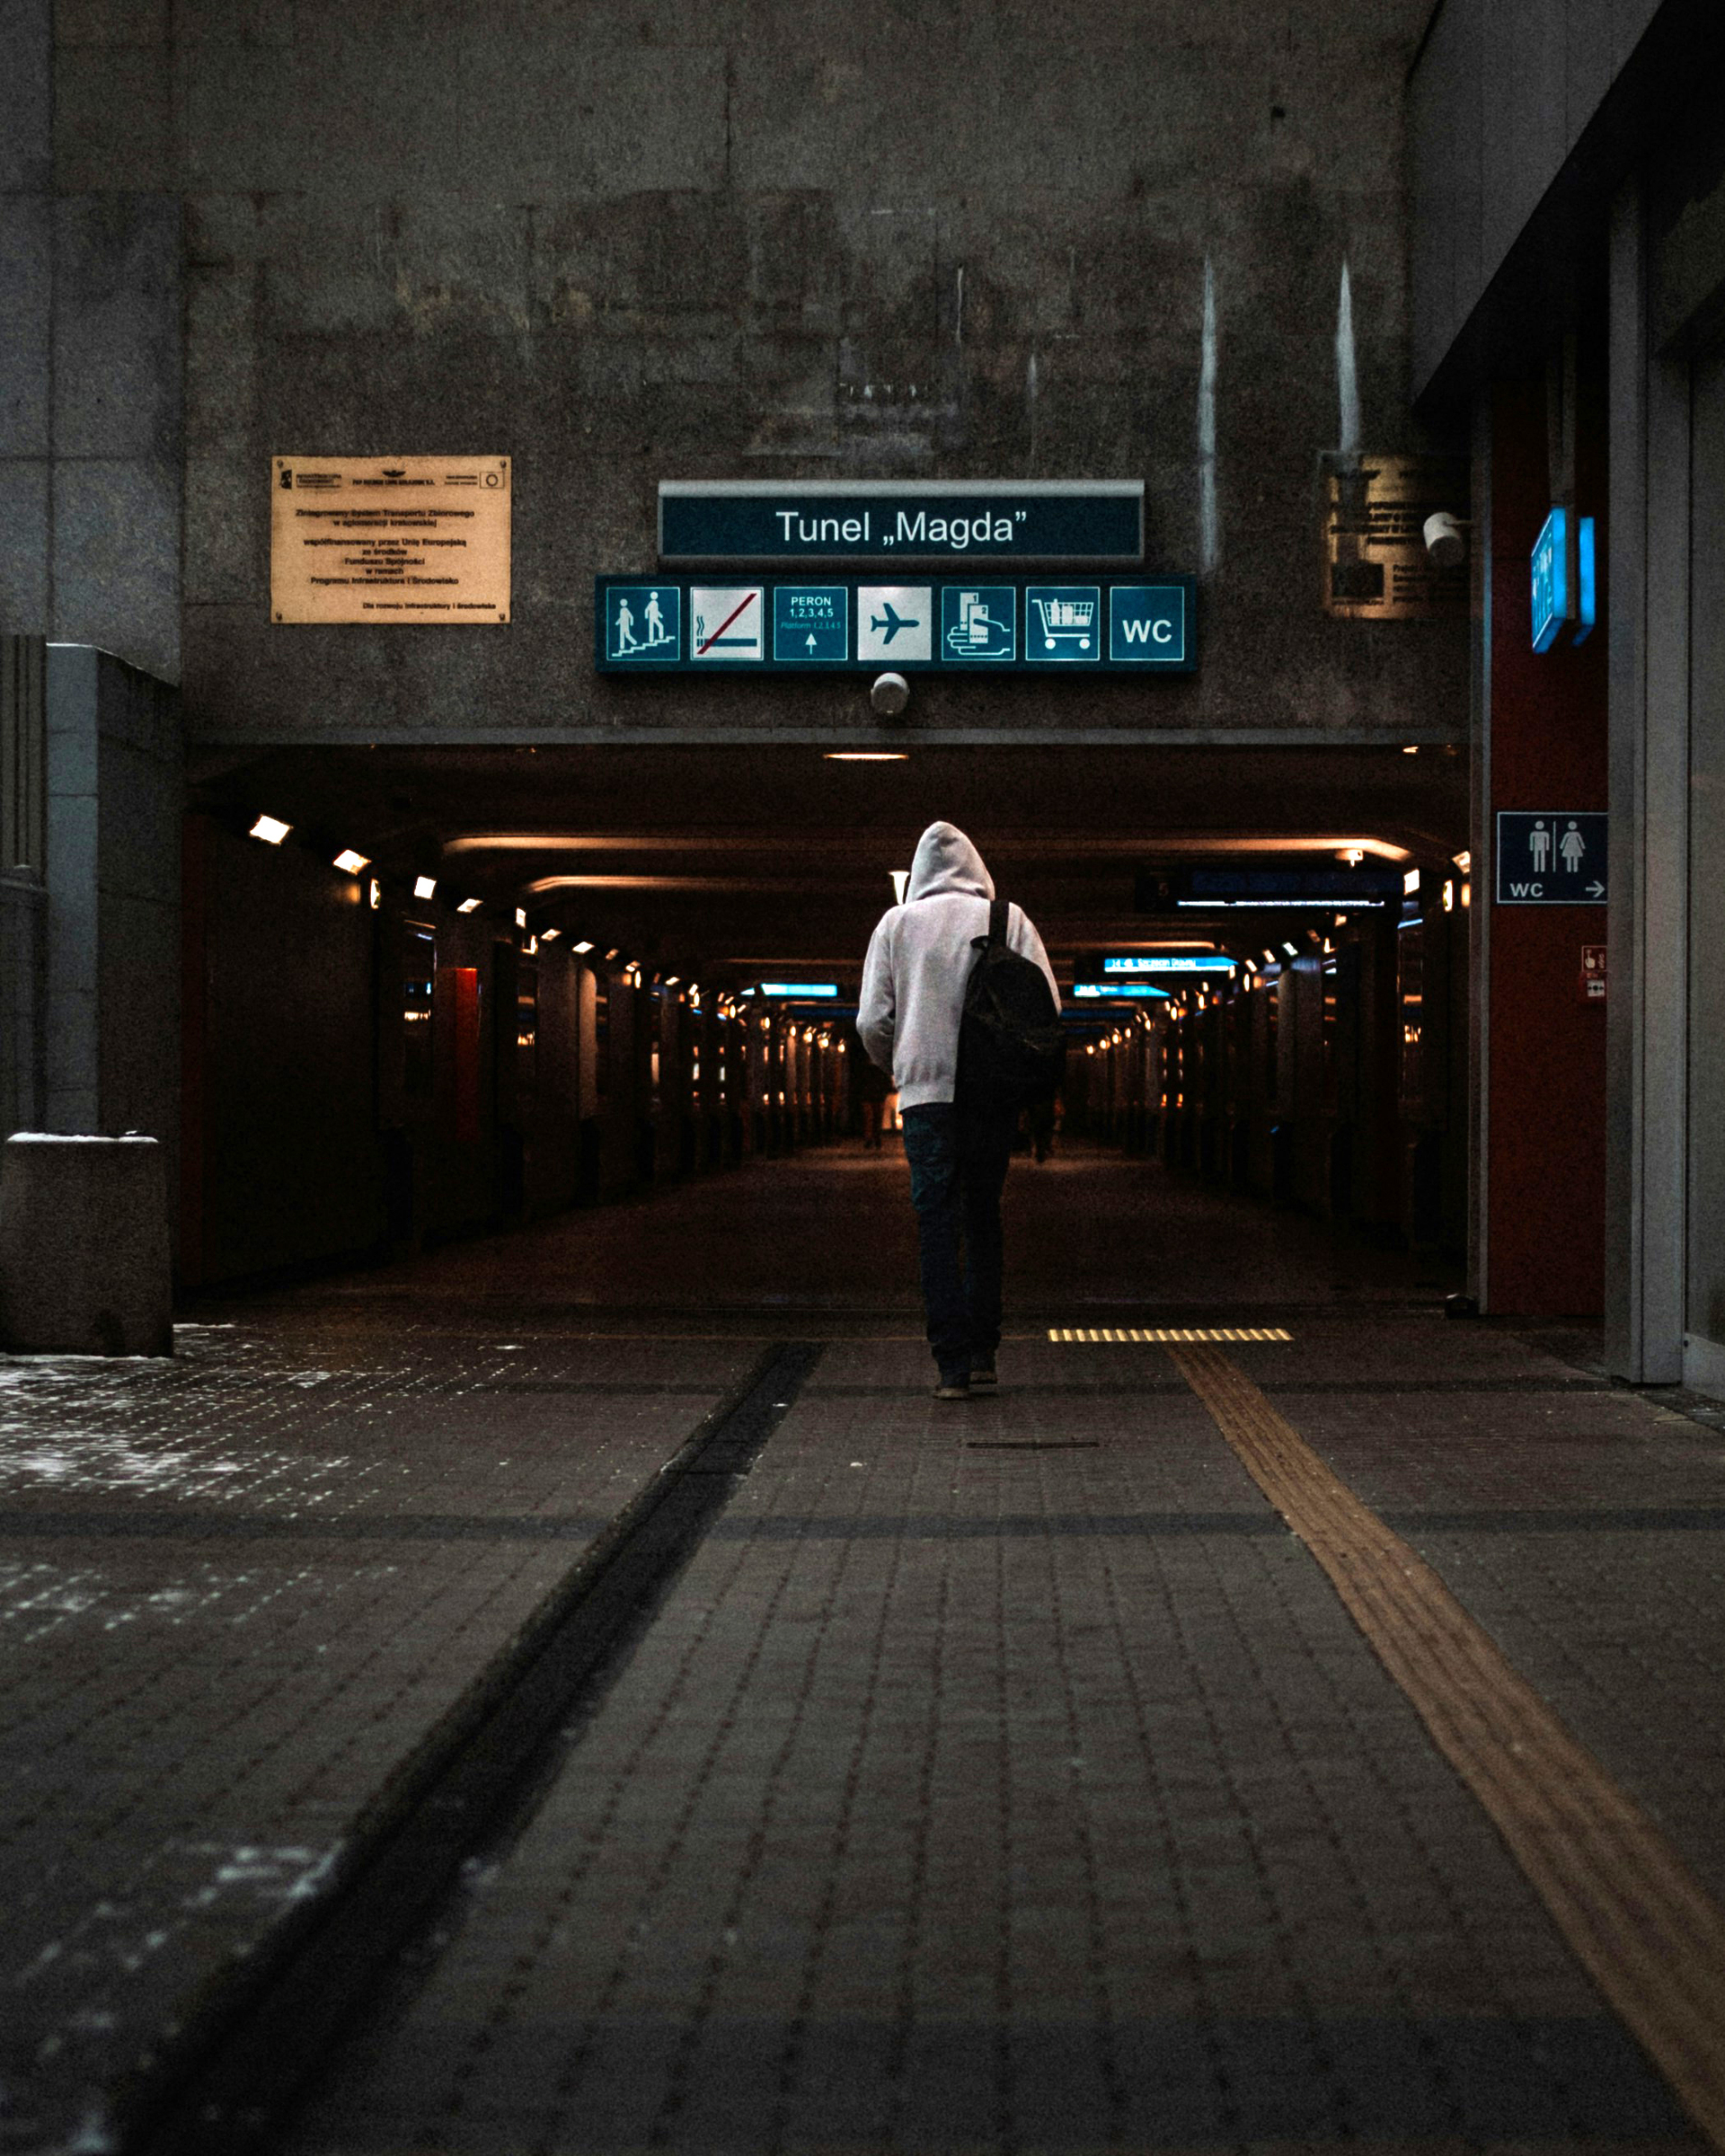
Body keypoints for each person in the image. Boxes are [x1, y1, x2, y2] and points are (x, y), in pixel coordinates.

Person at [859, 821, 1060, 1401]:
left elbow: (872, 1020)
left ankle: (950, 1365)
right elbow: (1045, 1007)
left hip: (926, 1099)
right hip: (990, 1093)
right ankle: (982, 1354)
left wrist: (903, 1064)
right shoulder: (1008, 919)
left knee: (936, 1223)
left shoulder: (896, 924)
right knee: (983, 1217)